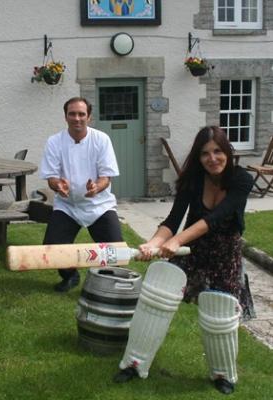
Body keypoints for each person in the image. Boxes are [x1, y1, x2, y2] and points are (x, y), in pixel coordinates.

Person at [114, 126, 254, 395]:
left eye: (217, 151)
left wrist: (177, 241)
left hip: (225, 253)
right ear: (198, 157)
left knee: (220, 313)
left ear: (227, 151)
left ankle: (222, 374)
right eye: (205, 154)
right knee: (157, 294)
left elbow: (216, 218)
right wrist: (152, 244)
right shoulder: (193, 180)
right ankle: (134, 363)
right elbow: (172, 221)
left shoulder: (241, 180)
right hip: (193, 250)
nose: (212, 158)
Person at [39, 97, 123, 292]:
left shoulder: (102, 139)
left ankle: (106, 283)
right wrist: (59, 185)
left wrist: (96, 187)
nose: (77, 118)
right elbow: (51, 177)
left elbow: (106, 176)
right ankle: (70, 275)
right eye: (72, 114)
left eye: (81, 114)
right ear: (65, 116)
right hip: (67, 206)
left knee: (116, 252)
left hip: (99, 205)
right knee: (52, 247)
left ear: (89, 117)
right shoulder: (54, 142)